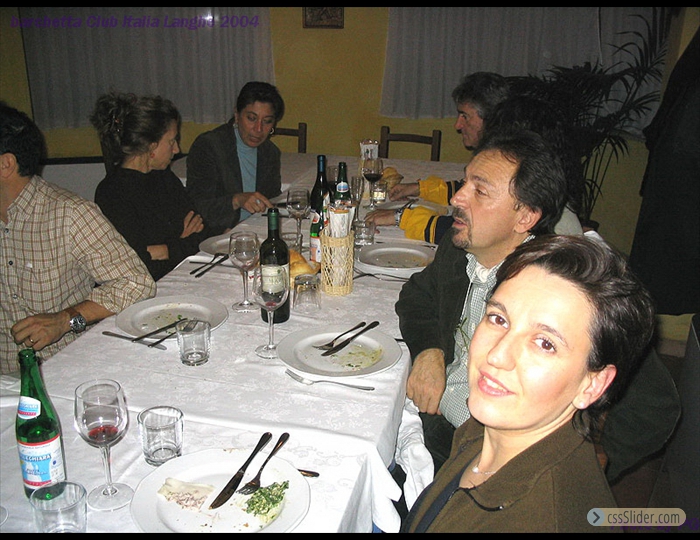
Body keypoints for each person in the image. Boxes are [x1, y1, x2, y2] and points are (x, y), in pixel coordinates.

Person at [395, 126, 680, 491]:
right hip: (436, 427)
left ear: (525, 217)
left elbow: (657, 405)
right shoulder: (460, 248)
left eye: (480, 190)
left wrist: (587, 464)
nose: (458, 198)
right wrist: (429, 351)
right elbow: (417, 296)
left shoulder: (562, 292)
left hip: (494, 457)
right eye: (465, 183)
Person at [402, 234, 656, 532]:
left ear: (593, 385)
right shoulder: (491, 430)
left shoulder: (532, 519)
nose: (497, 355)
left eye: (545, 343)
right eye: (498, 319)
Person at [0, 102, 156, 374]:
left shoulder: (68, 214)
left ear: (6, 164)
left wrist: (65, 320)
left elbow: (137, 283)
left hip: (61, 371)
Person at [366, 74, 584, 242]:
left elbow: (473, 232)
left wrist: (402, 217)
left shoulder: (543, 217)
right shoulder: (543, 187)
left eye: (465, 116)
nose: (457, 125)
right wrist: (419, 189)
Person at [91, 92, 214, 281]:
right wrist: (180, 242)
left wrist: (165, 250)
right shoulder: (112, 193)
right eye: (171, 141)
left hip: (178, 278)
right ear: (150, 146)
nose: (177, 149)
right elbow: (138, 265)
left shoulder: (164, 177)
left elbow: (201, 233)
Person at [185, 81, 285, 233]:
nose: (258, 129)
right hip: (218, 233)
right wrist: (237, 200)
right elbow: (198, 206)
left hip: (256, 229)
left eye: (267, 121)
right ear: (237, 115)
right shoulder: (209, 146)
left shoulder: (270, 152)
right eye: (251, 118)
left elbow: (272, 199)